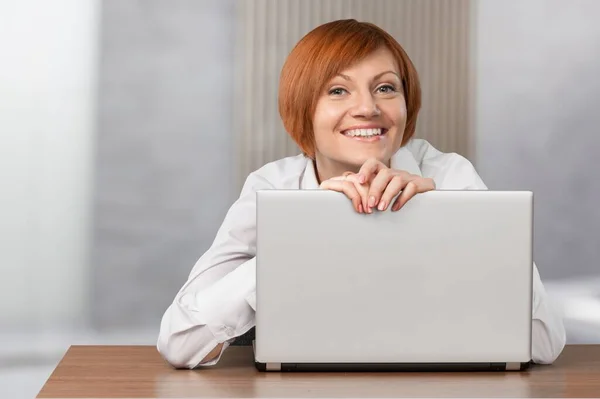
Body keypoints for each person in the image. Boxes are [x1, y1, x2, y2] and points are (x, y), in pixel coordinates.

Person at [157, 19, 566, 369]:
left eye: (386, 88)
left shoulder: (448, 175)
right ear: (304, 108)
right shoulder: (271, 187)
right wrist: (302, 232)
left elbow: (544, 343)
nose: (368, 108)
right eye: (338, 91)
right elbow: (180, 342)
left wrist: (438, 217)